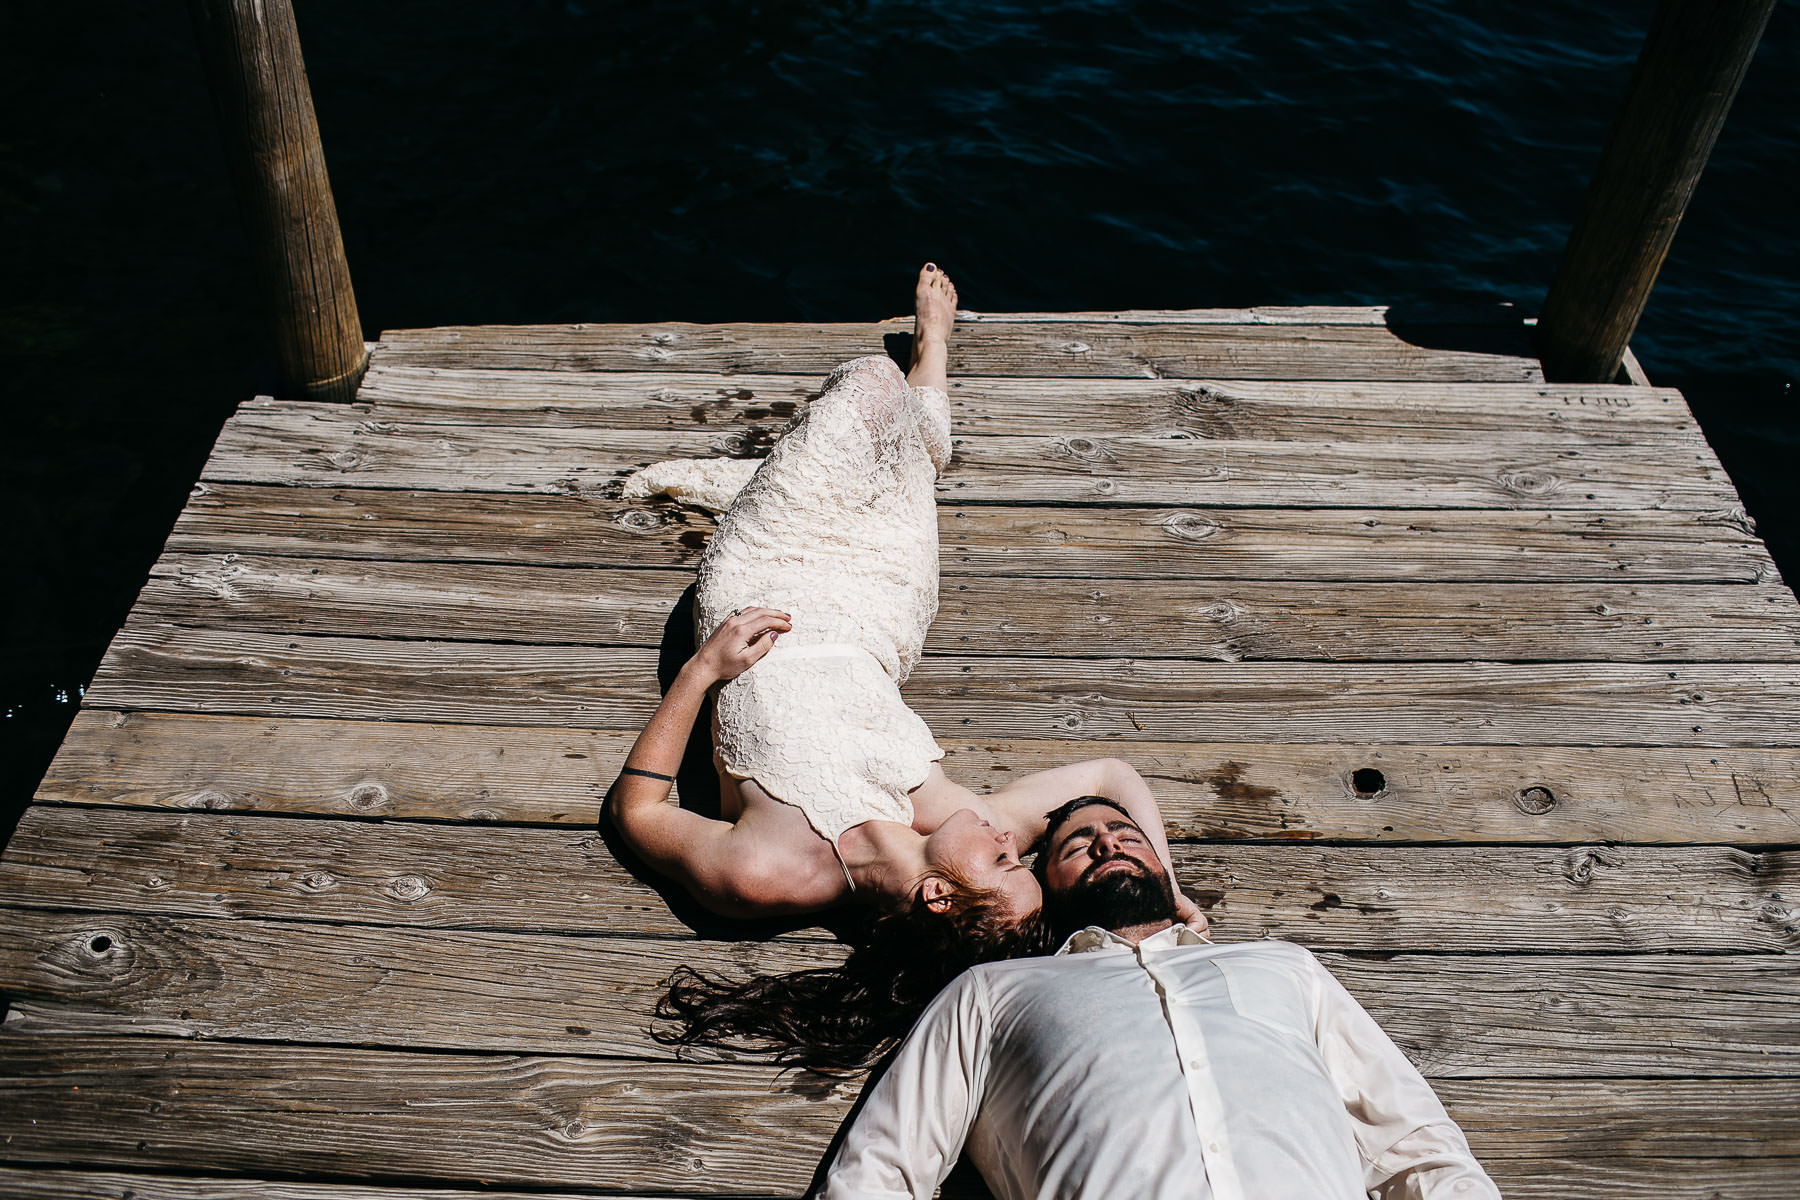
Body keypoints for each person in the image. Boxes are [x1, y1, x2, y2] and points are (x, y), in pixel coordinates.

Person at [608, 265, 1206, 1070]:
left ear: (936, 894)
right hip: (875, 607)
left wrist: (703, 670)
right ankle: (935, 351)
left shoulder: (767, 872)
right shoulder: (946, 815)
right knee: (909, 466)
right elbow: (1112, 769)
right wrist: (1165, 889)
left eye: (1003, 862)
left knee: (869, 385)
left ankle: (916, 365)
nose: (1009, 837)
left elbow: (636, 812)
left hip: (761, 581)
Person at [816, 795, 1504, 1200]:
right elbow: (880, 1169)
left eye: (1127, 834)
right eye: (1077, 843)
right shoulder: (993, 993)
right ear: (1047, 886)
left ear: (1164, 869)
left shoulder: (1281, 967)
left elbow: (1418, 1150)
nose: (1107, 841)